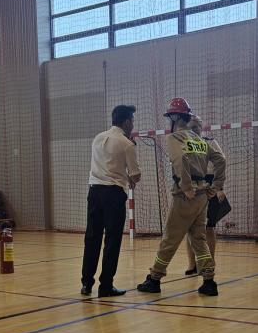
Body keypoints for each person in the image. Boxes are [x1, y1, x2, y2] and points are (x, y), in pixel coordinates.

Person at [137, 98, 226, 297]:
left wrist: (186, 187)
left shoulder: (175, 138)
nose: (169, 121)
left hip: (186, 196)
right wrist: (216, 185)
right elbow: (221, 159)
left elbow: (179, 159)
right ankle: (209, 281)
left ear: (176, 117)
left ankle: (154, 279)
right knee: (198, 238)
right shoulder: (200, 140)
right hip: (202, 196)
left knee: (170, 238)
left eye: (170, 117)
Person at [81, 105, 140, 298]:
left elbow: (105, 166)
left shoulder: (98, 138)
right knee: (112, 240)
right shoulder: (127, 144)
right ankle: (105, 285)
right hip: (113, 195)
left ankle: (86, 284)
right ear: (127, 122)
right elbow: (135, 175)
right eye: (132, 121)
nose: (133, 125)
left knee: (92, 238)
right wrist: (130, 176)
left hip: (94, 192)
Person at [185, 116, 226, 275]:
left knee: (209, 227)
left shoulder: (210, 142)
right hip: (192, 185)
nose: (193, 130)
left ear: (201, 127)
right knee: (189, 228)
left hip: (210, 185)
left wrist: (219, 187)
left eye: (196, 127)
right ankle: (192, 264)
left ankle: (210, 262)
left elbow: (220, 163)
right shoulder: (184, 144)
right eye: (190, 127)